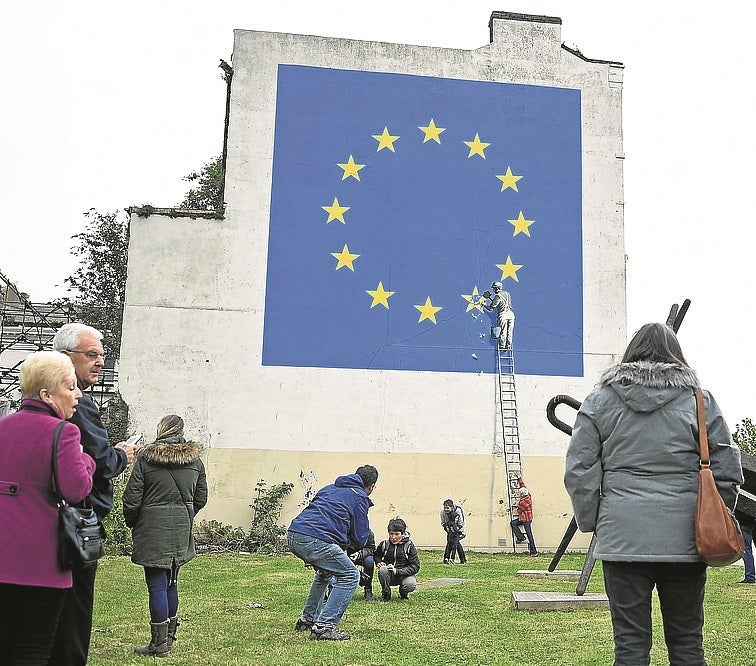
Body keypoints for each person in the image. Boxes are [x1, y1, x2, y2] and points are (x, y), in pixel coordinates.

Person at [564, 323, 742, 666]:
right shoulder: (699, 401)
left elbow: (579, 470)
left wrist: (594, 521)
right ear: (676, 355)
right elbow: (727, 466)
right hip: (687, 539)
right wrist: (713, 518)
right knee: (688, 646)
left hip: (622, 538)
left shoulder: (600, 400)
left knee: (630, 649)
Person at [0, 351, 96, 665]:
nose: (77, 395)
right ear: (47, 394)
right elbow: (76, 489)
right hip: (39, 566)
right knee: (32, 649)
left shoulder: (3, 427)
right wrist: (86, 460)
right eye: (70, 388)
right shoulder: (64, 433)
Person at [50, 323, 137, 666]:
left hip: (59, 517)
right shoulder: (79, 405)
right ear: (64, 357)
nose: (100, 362)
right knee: (74, 607)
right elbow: (99, 461)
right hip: (78, 520)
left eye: (102, 355)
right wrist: (122, 456)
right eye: (92, 355)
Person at [123, 415, 208, 657]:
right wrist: (186, 514)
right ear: (181, 431)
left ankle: (158, 643)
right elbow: (201, 498)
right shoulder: (195, 462)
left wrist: (134, 522)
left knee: (156, 585)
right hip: (180, 530)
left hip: (152, 529)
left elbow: (131, 499)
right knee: (171, 581)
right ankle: (168, 638)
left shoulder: (146, 459)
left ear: (160, 429)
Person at [287, 464, 378, 641]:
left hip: (294, 534)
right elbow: (360, 538)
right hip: (316, 538)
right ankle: (324, 627)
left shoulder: (329, 488)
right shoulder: (360, 497)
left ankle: (307, 619)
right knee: (351, 576)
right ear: (371, 486)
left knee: (325, 573)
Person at [374, 518, 421, 601]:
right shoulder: (384, 544)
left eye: (397, 534)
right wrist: (379, 562)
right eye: (391, 534)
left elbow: (415, 566)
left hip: (404, 575)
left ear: (403, 534)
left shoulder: (409, 546)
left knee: (410, 584)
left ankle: (403, 592)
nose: (393, 537)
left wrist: (397, 571)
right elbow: (376, 555)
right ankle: (386, 593)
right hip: (389, 575)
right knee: (383, 570)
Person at [482, 281, 515, 349]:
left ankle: (502, 346)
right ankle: (508, 345)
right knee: (510, 331)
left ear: (497, 288)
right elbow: (502, 303)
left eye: (494, 288)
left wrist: (484, 305)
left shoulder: (498, 296)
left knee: (503, 331)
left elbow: (491, 308)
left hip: (503, 314)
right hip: (511, 314)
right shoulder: (507, 294)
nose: (493, 290)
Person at [510, 487, 538, 556]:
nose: (519, 494)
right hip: (524, 518)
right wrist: (519, 478)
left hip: (526, 519)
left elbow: (519, 511)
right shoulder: (528, 496)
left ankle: (534, 552)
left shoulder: (524, 502)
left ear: (522, 494)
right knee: (513, 523)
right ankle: (521, 537)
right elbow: (523, 485)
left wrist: (517, 504)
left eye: (520, 493)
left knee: (529, 535)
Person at [440, 499, 467, 564]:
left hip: (458, 530)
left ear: (451, 507)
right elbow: (443, 523)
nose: (446, 510)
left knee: (455, 543)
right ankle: (450, 559)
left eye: (448, 508)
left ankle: (453, 559)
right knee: (450, 543)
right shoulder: (442, 512)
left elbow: (461, 523)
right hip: (449, 529)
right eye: (445, 508)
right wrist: (449, 530)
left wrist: (455, 531)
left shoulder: (458, 510)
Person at [734, 508, 754, 583]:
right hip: (750, 523)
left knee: (746, 549)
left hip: (745, 524)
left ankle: (750, 576)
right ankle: (750, 575)